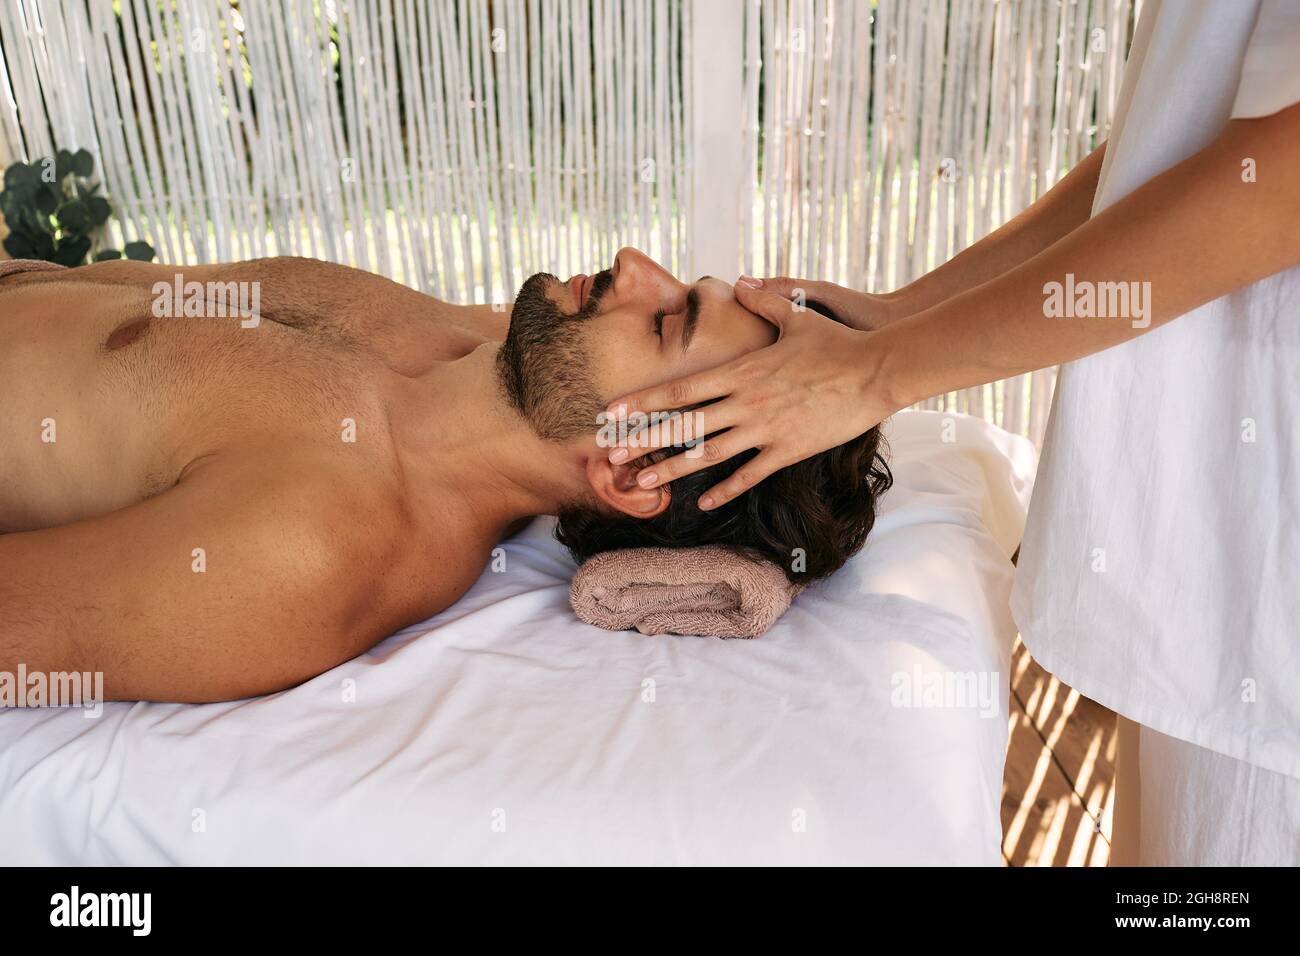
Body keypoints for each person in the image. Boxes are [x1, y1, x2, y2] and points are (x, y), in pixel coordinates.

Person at [604, 1, 1300, 865]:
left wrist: (878, 369)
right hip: (1220, 543)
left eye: (669, 323)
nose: (634, 265)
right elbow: (1185, 138)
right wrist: (898, 323)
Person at [0, 249, 888, 704]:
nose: (632, 265)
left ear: (633, 472)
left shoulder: (314, 543)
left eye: (663, 323)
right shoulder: (465, 347)